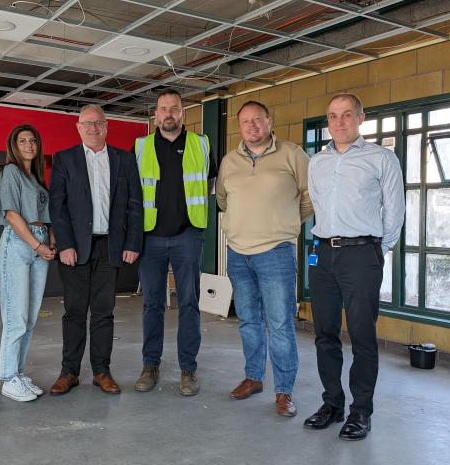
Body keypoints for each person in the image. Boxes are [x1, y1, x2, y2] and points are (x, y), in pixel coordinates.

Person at [305, 93, 404, 441]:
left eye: (347, 115)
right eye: (333, 116)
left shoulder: (381, 158)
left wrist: (378, 249)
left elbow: (395, 211)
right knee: (324, 334)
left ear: (361, 118)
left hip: (361, 254)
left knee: (362, 336)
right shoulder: (316, 162)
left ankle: (361, 411)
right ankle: (332, 403)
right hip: (323, 254)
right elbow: (317, 204)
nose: (339, 122)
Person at [216, 100, 313, 417]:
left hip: (276, 252)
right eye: (245, 121)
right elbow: (222, 200)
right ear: (239, 126)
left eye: (258, 120)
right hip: (238, 253)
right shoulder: (230, 161)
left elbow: (311, 195)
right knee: (248, 322)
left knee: (281, 324)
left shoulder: (292, 154)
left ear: (269, 122)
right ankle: (253, 377)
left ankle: (284, 391)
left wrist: (284, 223)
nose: (252, 125)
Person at [48, 104, 143, 396]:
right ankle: (69, 372)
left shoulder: (124, 160)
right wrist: (64, 244)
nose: (92, 128)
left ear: (106, 126)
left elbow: (134, 205)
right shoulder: (65, 159)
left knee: (104, 312)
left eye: (98, 123)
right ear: (78, 127)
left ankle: (101, 371)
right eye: (87, 123)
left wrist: (132, 242)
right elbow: (57, 206)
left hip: (109, 247)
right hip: (74, 249)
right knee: (74, 312)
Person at [134, 88, 216, 396]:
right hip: (151, 237)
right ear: (155, 114)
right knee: (152, 304)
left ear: (183, 113)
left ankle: (188, 370)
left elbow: (211, 185)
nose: (169, 113)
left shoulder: (201, 144)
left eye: (175, 108)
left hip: (188, 235)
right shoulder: (141, 147)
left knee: (189, 304)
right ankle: (150, 365)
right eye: (163, 108)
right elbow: (133, 195)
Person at [0, 124, 56, 402]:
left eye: (33, 140)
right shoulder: (11, 172)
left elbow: (46, 215)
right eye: (23, 141)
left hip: (40, 244)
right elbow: (11, 214)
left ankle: (18, 372)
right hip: (19, 245)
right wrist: (38, 245)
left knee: (29, 318)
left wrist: (50, 241)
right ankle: (8, 378)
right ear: (14, 146)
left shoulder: (38, 179)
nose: (29, 145)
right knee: (15, 316)